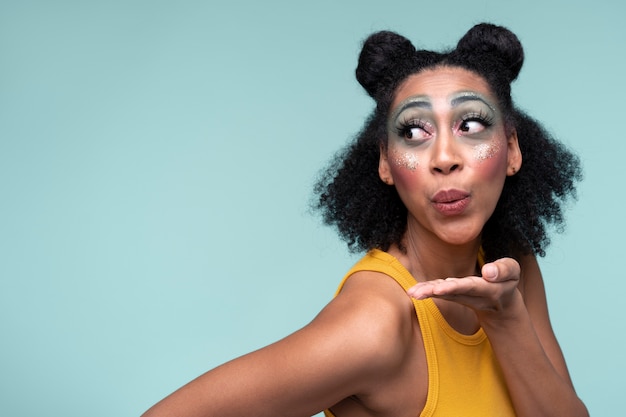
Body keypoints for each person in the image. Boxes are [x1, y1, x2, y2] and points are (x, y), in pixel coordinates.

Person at [142, 23, 588, 417]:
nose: (445, 158)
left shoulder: (511, 267)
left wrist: (506, 317)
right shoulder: (374, 326)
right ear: (386, 163)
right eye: (413, 132)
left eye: (470, 125)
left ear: (512, 150)